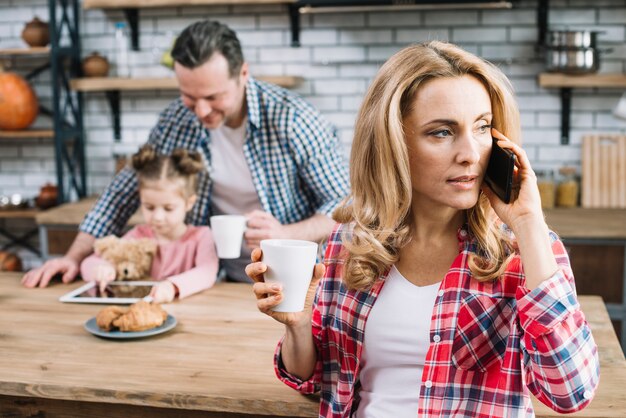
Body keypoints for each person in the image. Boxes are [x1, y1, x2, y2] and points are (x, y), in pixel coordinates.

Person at [246, 41, 600, 417]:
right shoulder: (350, 242)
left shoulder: (527, 251)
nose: (470, 153)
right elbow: (316, 380)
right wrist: (298, 326)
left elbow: (571, 393)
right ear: (393, 144)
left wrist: (528, 222)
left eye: (481, 127)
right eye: (442, 132)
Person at [21, 20, 349, 288]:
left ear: (243, 74)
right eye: (189, 96)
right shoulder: (177, 119)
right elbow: (121, 193)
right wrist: (73, 257)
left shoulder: (292, 118)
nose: (201, 111)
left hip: (292, 280)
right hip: (211, 278)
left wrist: (285, 233)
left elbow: (346, 201)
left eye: (213, 96)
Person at [80, 145, 218, 303]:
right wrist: (101, 268)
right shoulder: (137, 235)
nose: (158, 217)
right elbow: (88, 262)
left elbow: (207, 272)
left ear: (189, 203)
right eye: (149, 207)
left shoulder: (201, 236)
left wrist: (171, 286)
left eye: (168, 208)